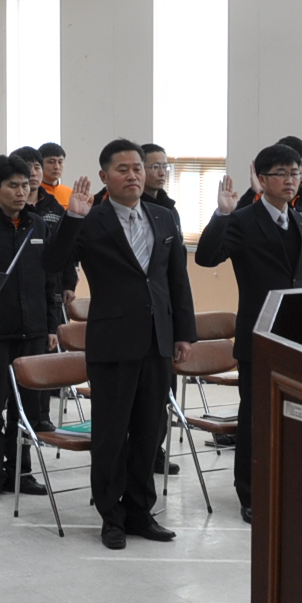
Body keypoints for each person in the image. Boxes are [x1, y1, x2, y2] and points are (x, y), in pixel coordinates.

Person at [50, 141, 196, 549]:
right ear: (104, 177)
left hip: (157, 340)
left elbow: (176, 279)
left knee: (150, 432)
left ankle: (140, 512)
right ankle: (111, 516)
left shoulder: (164, 217)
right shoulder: (91, 219)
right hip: (113, 343)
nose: (133, 175)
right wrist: (72, 219)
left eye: (138, 168)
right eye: (123, 169)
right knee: (112, 435)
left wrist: (183, 332)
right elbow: (53, 265)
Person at [194, 144, 302, 523]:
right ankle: (250, 493)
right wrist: (222, 213)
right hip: (259, 336)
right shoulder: (242, 219)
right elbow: (206, 257)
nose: (290, 180)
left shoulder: (300, 220)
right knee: (255, 420)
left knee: (296, 416)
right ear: (262, 179)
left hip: (296, 339)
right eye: (282, 173)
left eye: (295, 172)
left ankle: (288, 485)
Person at [0, 155, 61, 504]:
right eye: (13, 186)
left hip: (33, 330)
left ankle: (21, 472)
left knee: (27, 408)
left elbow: (49, 279)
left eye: (25, 185)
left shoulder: (37, 224)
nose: (21, 192)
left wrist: (51, 325)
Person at [139, 143, 178, 227]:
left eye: (165, 167)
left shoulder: (169, 206)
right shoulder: (135, 207)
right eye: (155, 167)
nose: (162, 173)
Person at [36, 143, 72, 209]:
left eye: (60, 162)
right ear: (40, 164)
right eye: (51, 162)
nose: (57, 167)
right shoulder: (34, 192)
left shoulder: (70, 194)